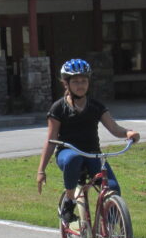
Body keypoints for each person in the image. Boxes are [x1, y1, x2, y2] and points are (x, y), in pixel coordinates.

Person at [36, 59, 140, 222]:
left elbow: (114, 128)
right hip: (67, 152)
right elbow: (51, 140)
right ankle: (69, 200)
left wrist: (128, 133)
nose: (81, 85)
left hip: (93, 154)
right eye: (75, 81)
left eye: (84, 81)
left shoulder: (96, 106)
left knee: (113, 188)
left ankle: (111, 233)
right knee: (73, 158)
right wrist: (41, 170)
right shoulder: (58, 108)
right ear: (66, 84)